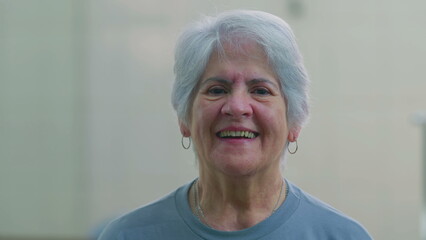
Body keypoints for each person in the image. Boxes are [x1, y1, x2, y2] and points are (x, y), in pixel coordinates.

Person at [98, 10, 372, 239]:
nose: (238, 107)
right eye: (217, 90)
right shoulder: (128, 235)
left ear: (294, 123)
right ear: (185, 119)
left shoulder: (341, 236)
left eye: (261, 90)